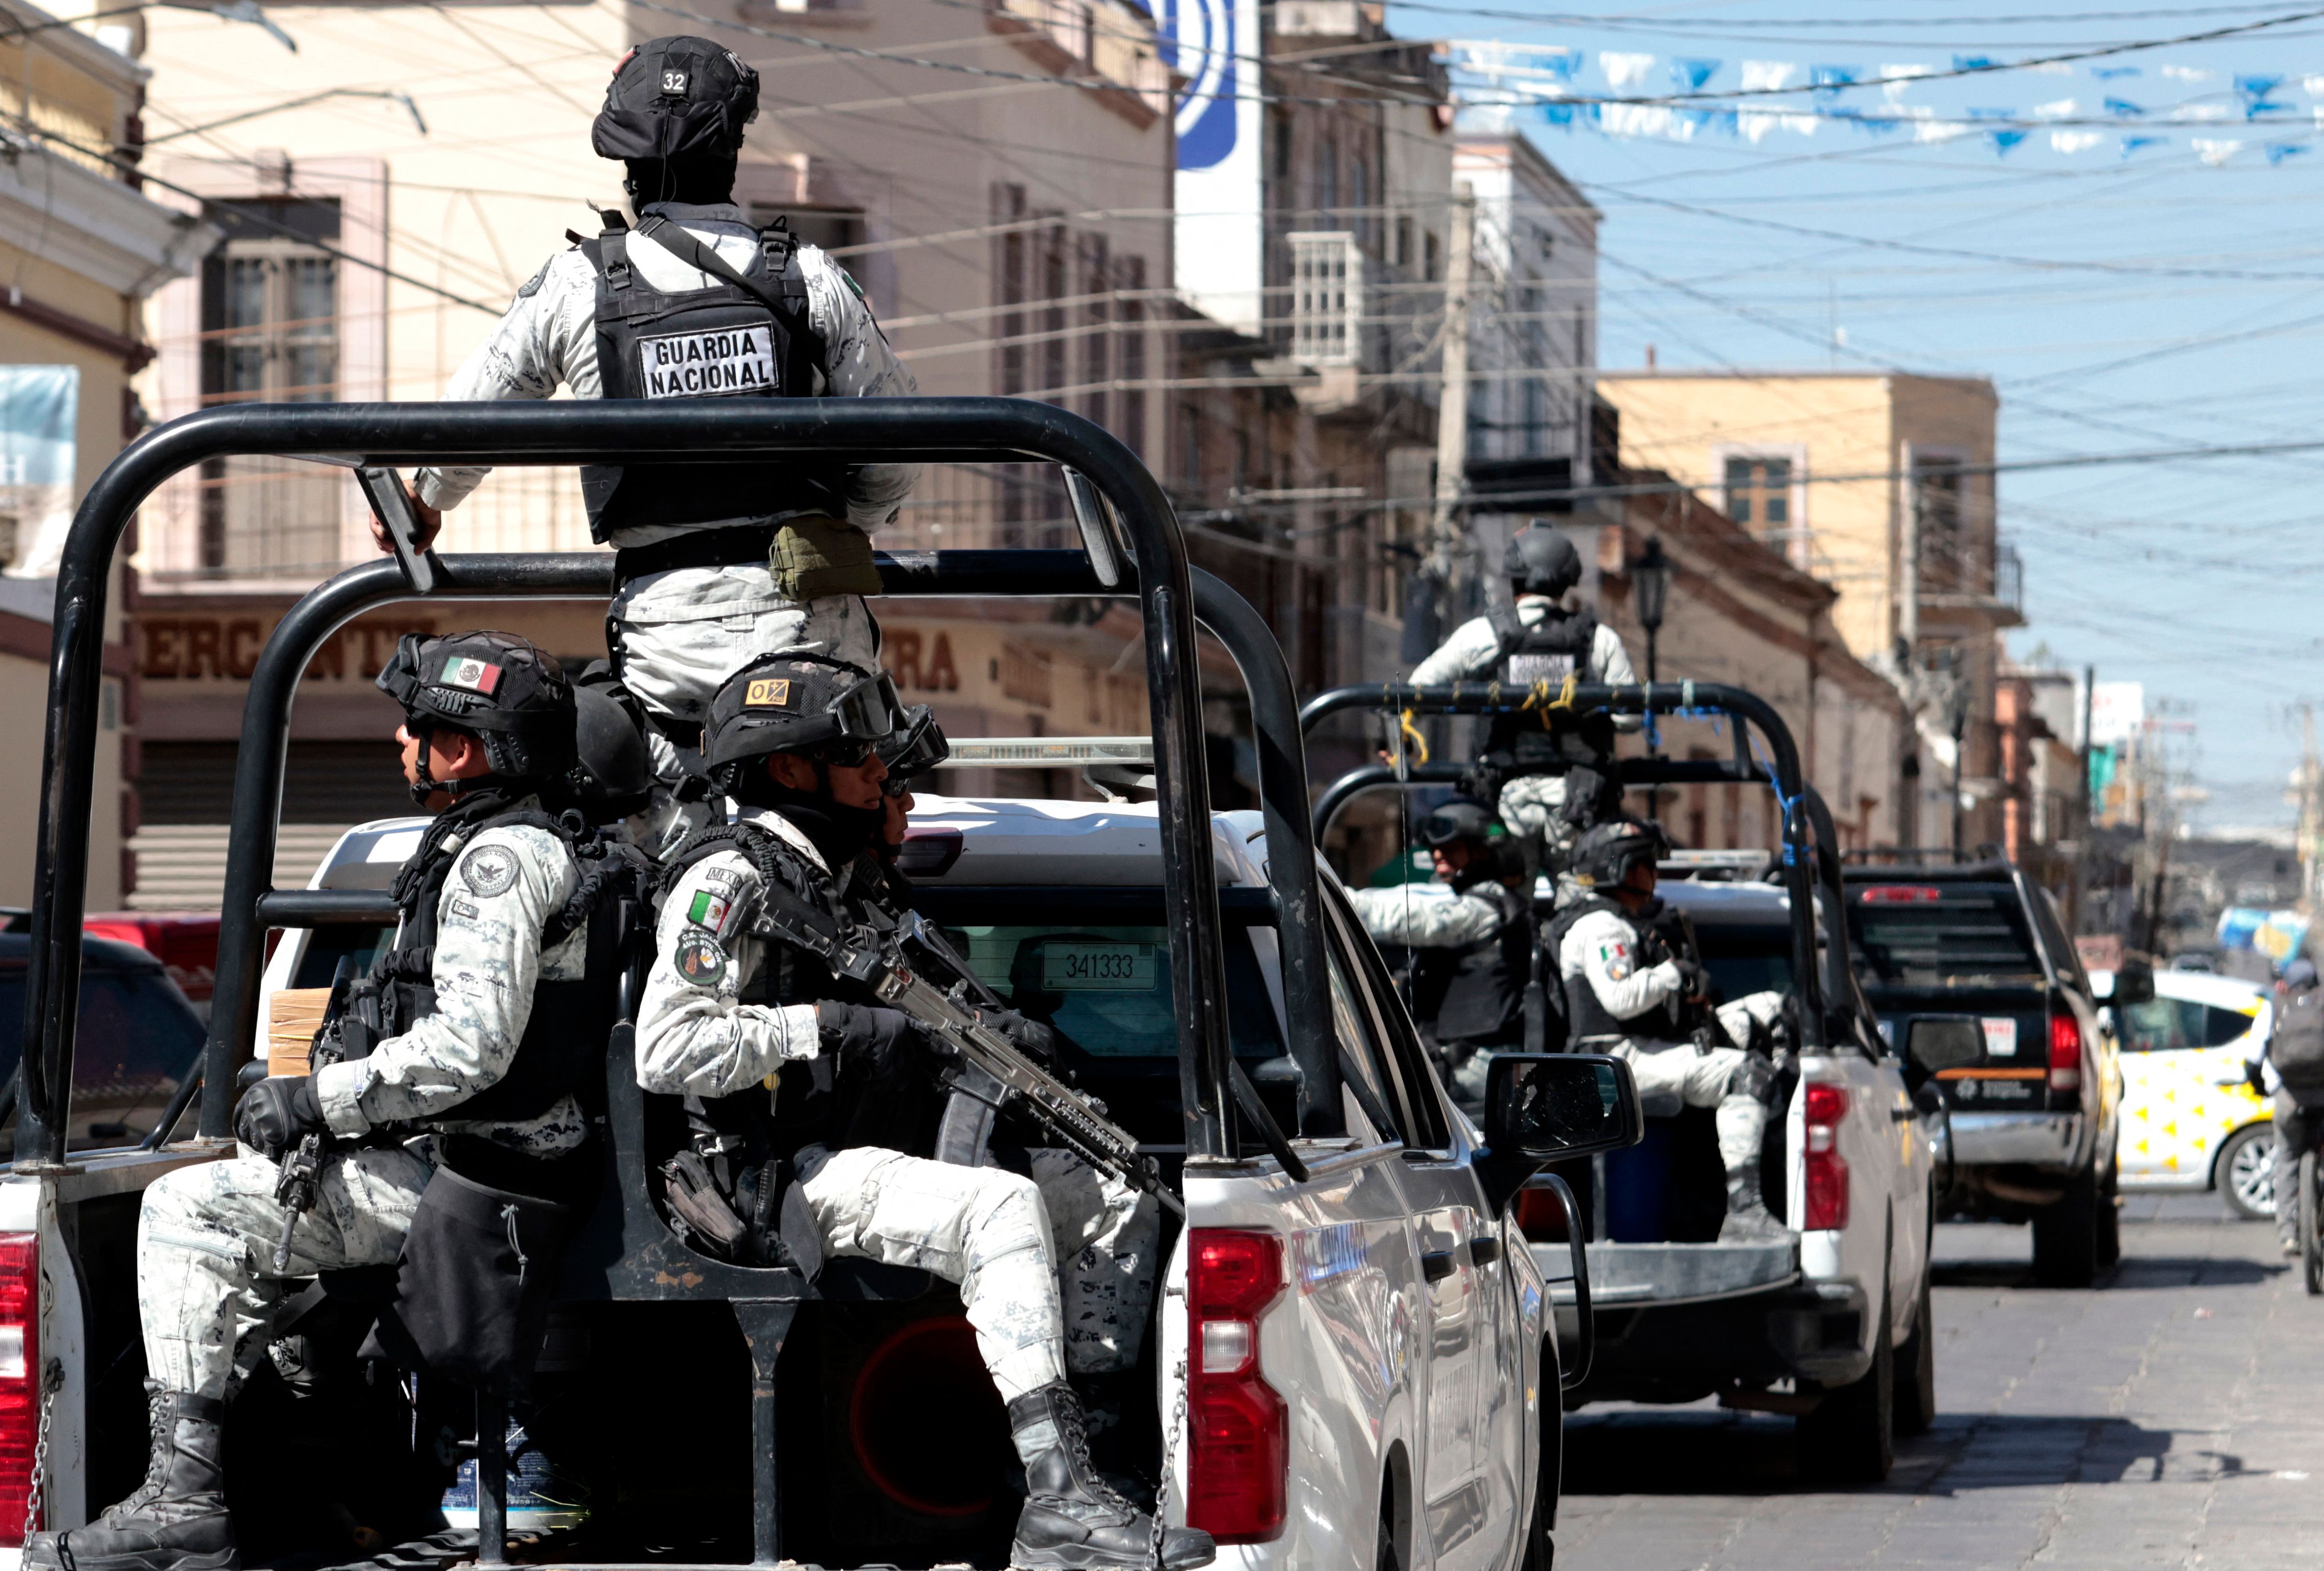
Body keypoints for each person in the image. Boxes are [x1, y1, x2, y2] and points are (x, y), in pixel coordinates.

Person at [31, 634, 623, 1571]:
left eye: (416, 727)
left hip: (468, 1174)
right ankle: (291, 1476)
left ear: (461, 750)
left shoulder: (497, 861)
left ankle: (180, 1499)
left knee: (192, 1207)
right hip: (489, 1165)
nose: (399, 742)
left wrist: (319, 1102)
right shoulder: (547, 844)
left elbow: (469, 1048)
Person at [632, 653, 1210, 1571]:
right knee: (998, 1209)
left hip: (846, 1149)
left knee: (1108, 1192)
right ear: (788, 768)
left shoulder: (835, 881)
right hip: (764, 1172)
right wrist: (821, 1028)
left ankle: (1088, 1475)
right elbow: (666, 1051)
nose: (878, 774)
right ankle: (1057, 1498)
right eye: (855, 754)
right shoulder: (730, 881)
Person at [394, 36, 918, 803]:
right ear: (734, 154)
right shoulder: (807, 277)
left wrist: (421, 506)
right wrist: (847, 520)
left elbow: (463, 425)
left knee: (667, 873)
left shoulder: (578, 285)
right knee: (829, 866)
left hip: (666, 661)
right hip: (808, 652)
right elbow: (892, 460)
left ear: (627, 165)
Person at [1547, 819, 1786, 1241]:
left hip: (1631, 1053)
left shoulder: (1620, 923)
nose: (1653, 875)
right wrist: (1672, 973)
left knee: (1770, 1015)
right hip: (1615, 1062)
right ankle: (1743, 1210)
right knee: (1747, 1073)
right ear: (1618, 868)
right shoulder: (1602, 926)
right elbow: (1622, 998)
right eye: (1645, 864)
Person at [1408, 521, 1638, 860]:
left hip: (1502, 798)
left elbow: (1418, 688)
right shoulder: (1599, 639)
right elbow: (1630, 716)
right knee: (1578, 903)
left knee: (1506, 901)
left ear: (1513, 577)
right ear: (1568, 579)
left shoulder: (1482, 634)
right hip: (1577, 798)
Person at [1344, 799, 1535, 1114]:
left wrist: (1324, 895)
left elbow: (1416, 918)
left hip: (1476, 1071)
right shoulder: (1482, 900)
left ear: (1483, 851)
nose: (1437, 856)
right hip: (1464, 1065)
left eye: (1451, 849)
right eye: (1435, 850)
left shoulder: (1486, 908)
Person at [2252, 957, 2323, 1256]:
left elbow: (2252, 1058)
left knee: (2287, 1159)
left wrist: (2260, 1088)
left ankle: (2288, 1234)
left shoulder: (2275, 1005)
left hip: (2288, 1097)